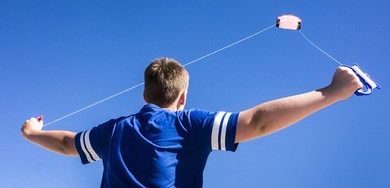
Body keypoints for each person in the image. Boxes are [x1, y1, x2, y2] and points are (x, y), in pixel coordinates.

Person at [21, 57, 362, 187]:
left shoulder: (113, 131)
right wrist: (333, 91)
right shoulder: (188, 124)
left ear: (144, 95)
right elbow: (257, 122)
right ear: (182, 99)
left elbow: (67, 143)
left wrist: (33, 133)